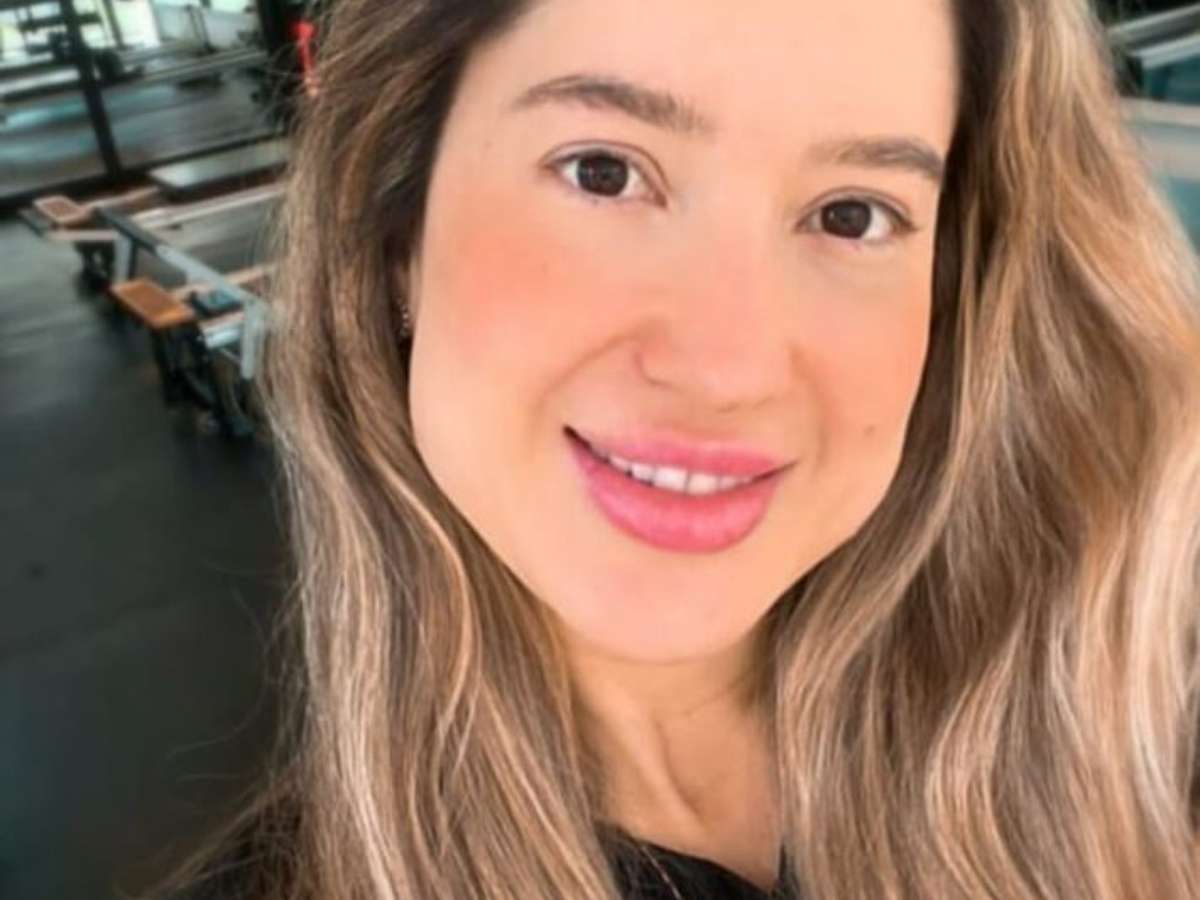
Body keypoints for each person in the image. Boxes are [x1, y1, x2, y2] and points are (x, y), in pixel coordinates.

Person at [160, 0, 1200, 897]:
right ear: (396, 238)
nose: (727, 367)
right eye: (603, 171)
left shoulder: (1144, 721)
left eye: (852, 214)